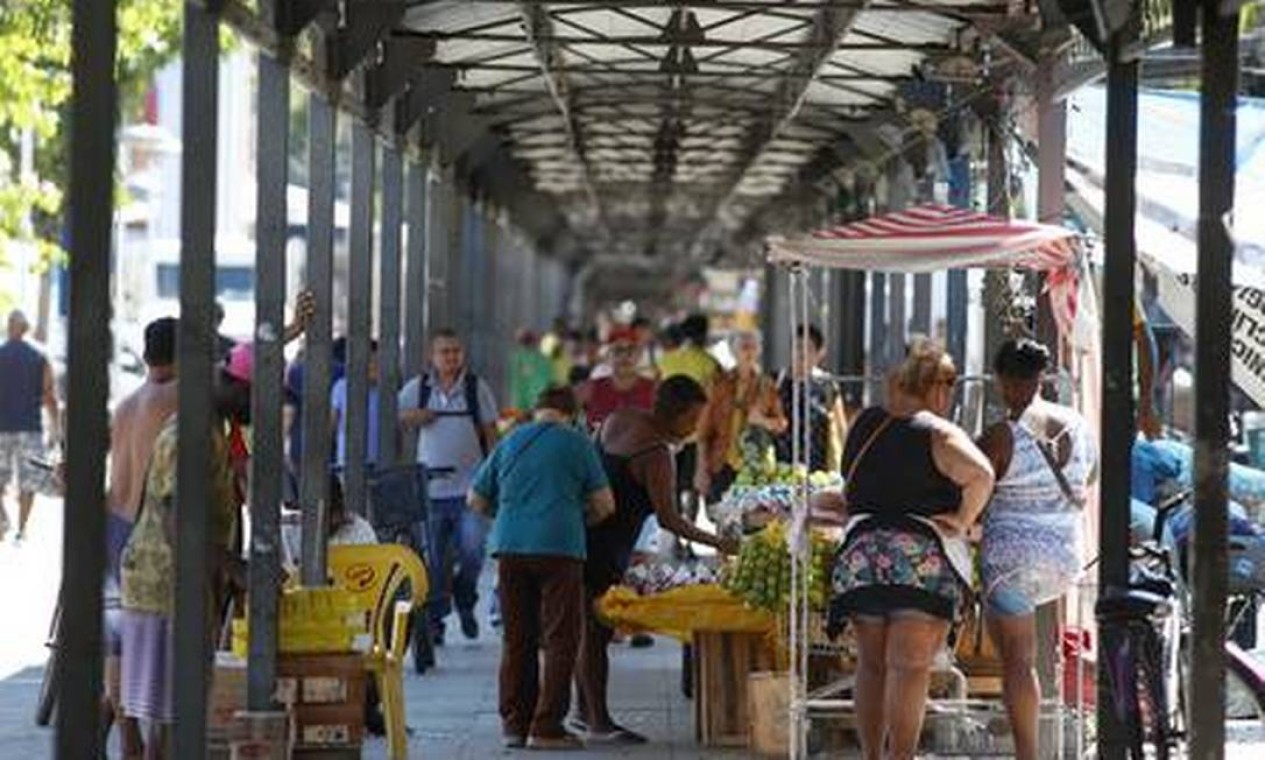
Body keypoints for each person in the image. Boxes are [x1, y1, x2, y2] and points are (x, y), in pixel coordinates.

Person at [828, 340, 994, 760]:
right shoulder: (939, 432)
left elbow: (849, 481)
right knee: (910, 668)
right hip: (918, 562)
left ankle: (872, 757)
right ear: (937, 388)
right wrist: (959, 519)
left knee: (871, 665)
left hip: (863, 557)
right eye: (950, 385)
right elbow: (982, 475)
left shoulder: (866, 422)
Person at [574, 376, 739, 744]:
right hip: (607, 546)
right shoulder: (655, 453)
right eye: (693, 418)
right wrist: (720, 543)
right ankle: (598, 721)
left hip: (581, 534)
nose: (696, 427)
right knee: (596, 633)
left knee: (585, 629)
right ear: (676, 414)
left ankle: (583, 712)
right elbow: (670, 520)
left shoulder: (621, 418)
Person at [118, 350, 251, 760]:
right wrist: (234, 566)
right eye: (252, 395)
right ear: (229, 386)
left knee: (170, 712)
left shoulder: (211, 427)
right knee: (172, 706)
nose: (256, 408)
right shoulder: (192, 436)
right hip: (164, 583)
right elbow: (178, 520)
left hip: (178, 580)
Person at [469, 386, 615, 750]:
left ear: (538, 411)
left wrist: (511, 518)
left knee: (517, 638)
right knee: (560, 638)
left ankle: (514, 725)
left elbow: (475, 499)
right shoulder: (578, 443)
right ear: (572, 414)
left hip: (510, 547)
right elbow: (605, 505)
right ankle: (547, 726)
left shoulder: (511, 441)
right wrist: (576, 518)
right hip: (560, 547)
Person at [975, 339, 1095, 760]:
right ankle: (1019, 713)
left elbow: (970, 485)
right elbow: (1088, 477)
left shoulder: (1000, 437)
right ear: (1040, 378)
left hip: (1013, 562)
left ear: (1002, 382)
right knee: (1025, 656)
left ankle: (1027, 753)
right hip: (1065, 559)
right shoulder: (1078, 425)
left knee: (1017, 659)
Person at [103, 317, 180, 756]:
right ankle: (154, 743)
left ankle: (128, 738)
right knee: (159, 643)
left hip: (114, 523)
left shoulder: (127, 403)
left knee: (119, 643)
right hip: (148, 531)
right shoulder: (174, 399)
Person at [399, 329, 499, 645]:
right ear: (432, 356)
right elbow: (397, 416)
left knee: (472, 551)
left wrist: (493, 473)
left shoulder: (474, 388)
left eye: (456, 351)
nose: (451, 357)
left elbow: (491, 430)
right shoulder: (419, 388)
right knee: (435, 560)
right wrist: (415, 416)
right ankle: (437, 618)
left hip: (470, 489)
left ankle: (465, 595)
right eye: (444, 352)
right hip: (431, 491)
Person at [695, 331, 787, 503]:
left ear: (759, 351)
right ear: (733, 352)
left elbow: (781, 424)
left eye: (753, 347)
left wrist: (762, 421)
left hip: (753, 467)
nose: (749, 352)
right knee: (720, 518)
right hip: (720, 463)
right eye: (744, 347)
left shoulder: (767, 386)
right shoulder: (718, 383)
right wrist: (701, 469)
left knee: (750, 523)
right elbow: (703, 430)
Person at [0, 309, 60, 543]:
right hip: (30, 428)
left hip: (1, 427)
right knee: (30, 480)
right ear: (27, 328)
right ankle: (22, 530)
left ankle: (3, 518)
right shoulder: (40, 356)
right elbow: (49, 395)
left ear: (9, 326)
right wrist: (56, 427)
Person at [775, 324, 847, 474]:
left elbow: (841, 427)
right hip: (781, 468)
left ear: (820, 353)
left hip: (817, 469)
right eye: (797, 346)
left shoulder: (826, 384)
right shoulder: (777, 382)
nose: (801, 353)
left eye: (808, 348)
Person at [577, 327, 657, 431]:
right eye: (618, 351)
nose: (624, 356)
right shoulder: (589, 389)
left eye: (630, 350)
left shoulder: (655, 390)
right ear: (607, 355)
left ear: (639, 354)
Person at [330, 339, 381, 467]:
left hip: (380, 462)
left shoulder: (386, 391)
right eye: (371, 361)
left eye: (378, 362)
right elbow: (332, 423)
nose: (375, 366)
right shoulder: (342, 387)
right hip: (349, 462)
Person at [509, 329, 553, 413]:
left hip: (528, 403)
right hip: (538, 401)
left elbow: (516, 384)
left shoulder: (519, 358)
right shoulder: (543, 359)